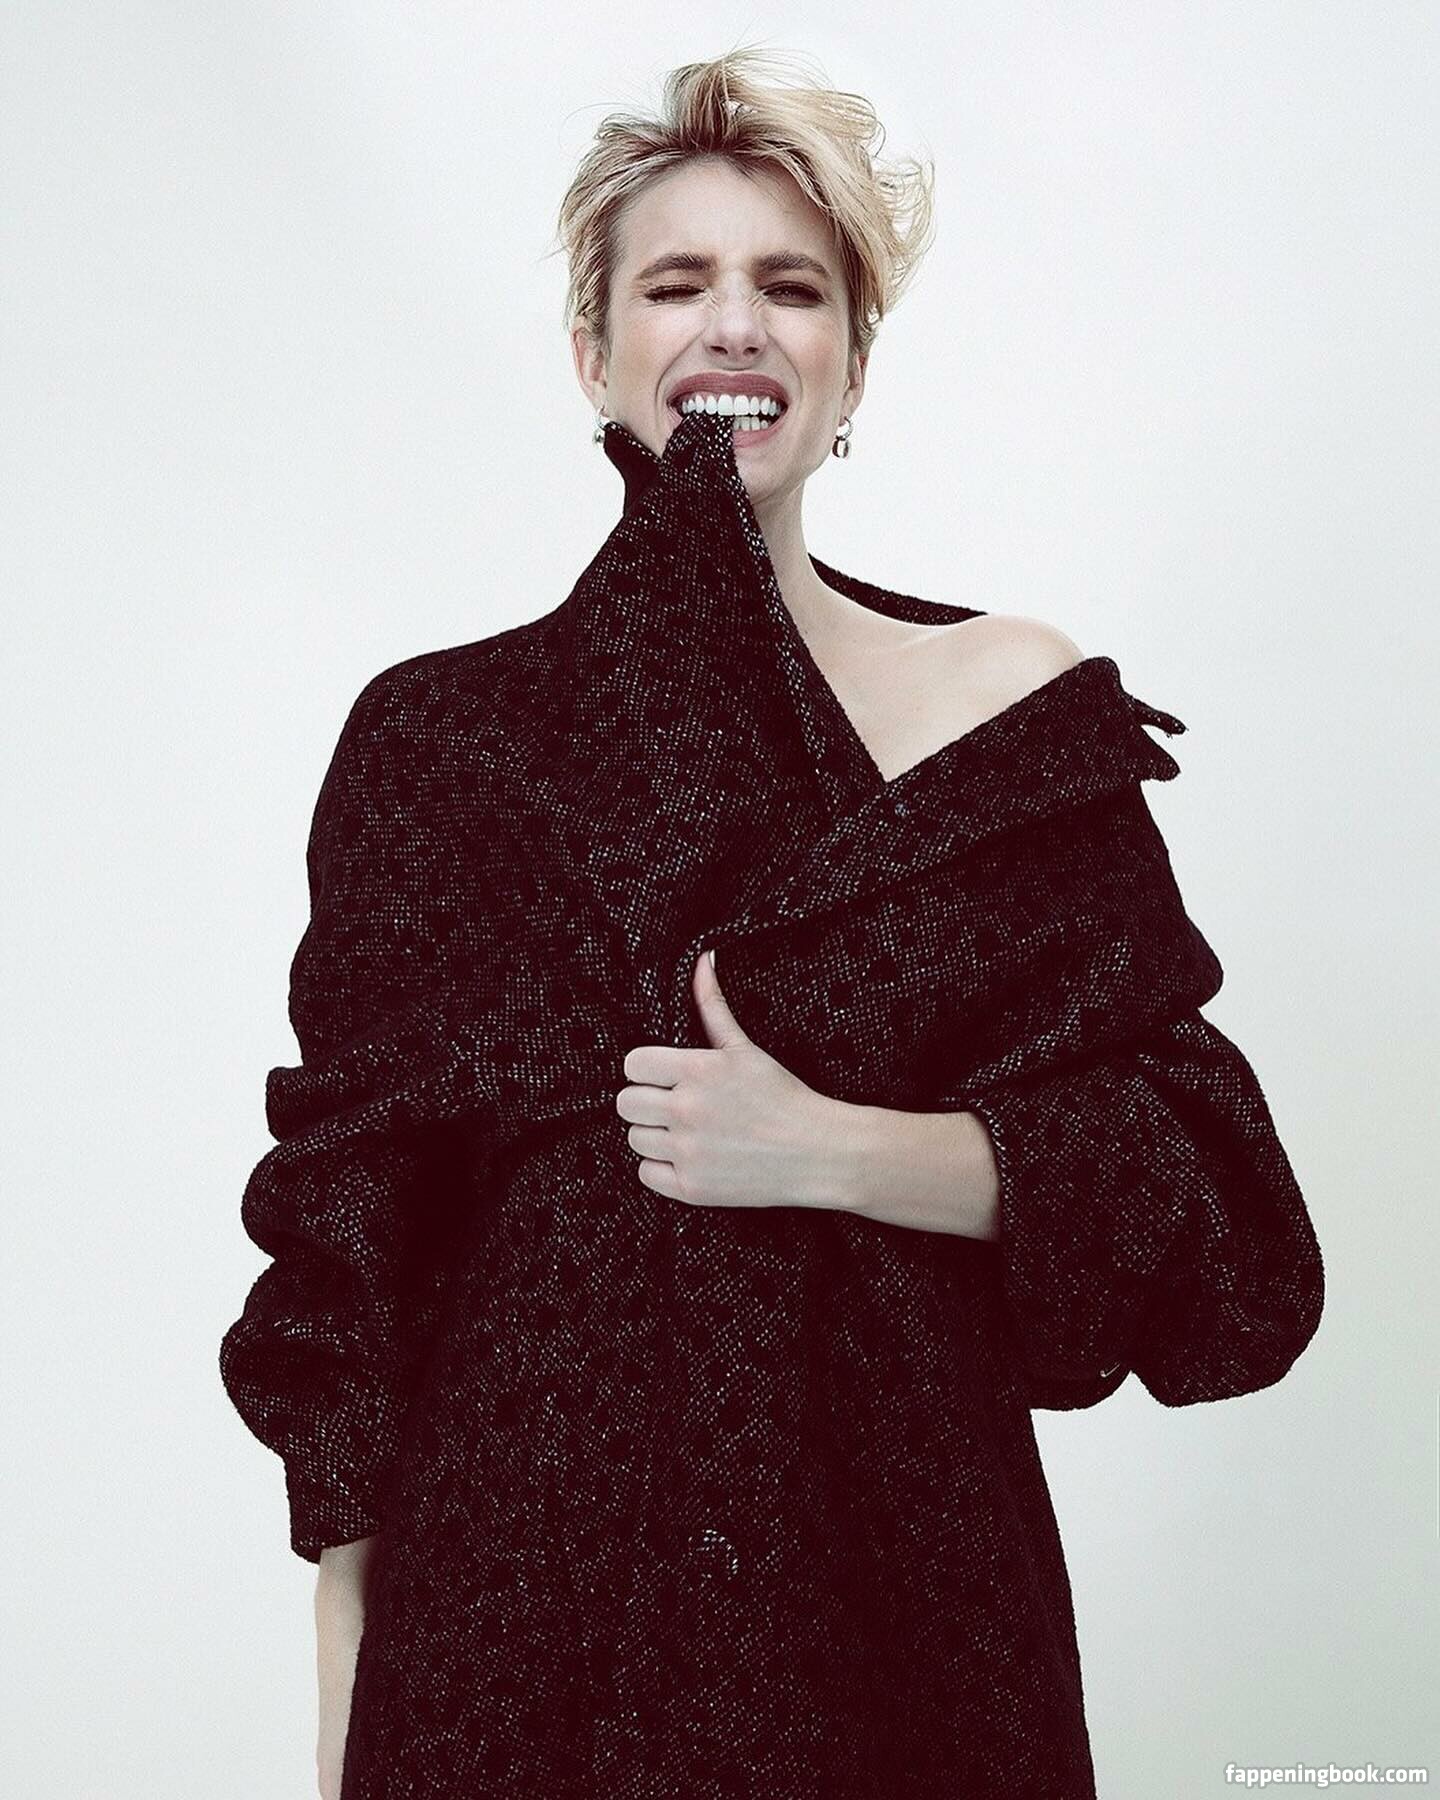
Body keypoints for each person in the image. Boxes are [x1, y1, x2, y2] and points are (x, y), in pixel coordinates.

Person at [219, 46, 1325, 1800]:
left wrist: (840, 1152)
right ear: (593, 351)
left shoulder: (1006, 718)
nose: (734, 325)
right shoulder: (443, 741)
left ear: (853, 363)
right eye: (678, 284)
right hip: (513, 1639)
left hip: (907, 1616)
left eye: (791, 288)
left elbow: (1219, 1225)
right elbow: (351, 1238)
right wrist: (352, 1658)